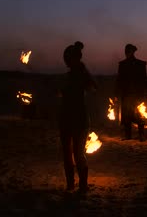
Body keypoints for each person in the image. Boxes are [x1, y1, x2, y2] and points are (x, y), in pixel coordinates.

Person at [58, 41, 97, 193]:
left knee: (77, 153)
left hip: (78, 118)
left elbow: (94, 86)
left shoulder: (80, 75)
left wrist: (83, 70)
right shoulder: (72, 76)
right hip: (68, 118)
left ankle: (81, 185)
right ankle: (72, 184)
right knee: (69, 153)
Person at [114, 44, 147, 141]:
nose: (126, 53)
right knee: (127, 115)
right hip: (126, 94)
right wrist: (116, 94)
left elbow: (145, 79)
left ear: (132, 52)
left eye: (128, 51)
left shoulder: (140, 64)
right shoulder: (122, 64)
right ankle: (128, 136)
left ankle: (141, 135)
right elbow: (119, 80)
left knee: (139, 114)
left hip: (137, 94)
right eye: (126, 51)